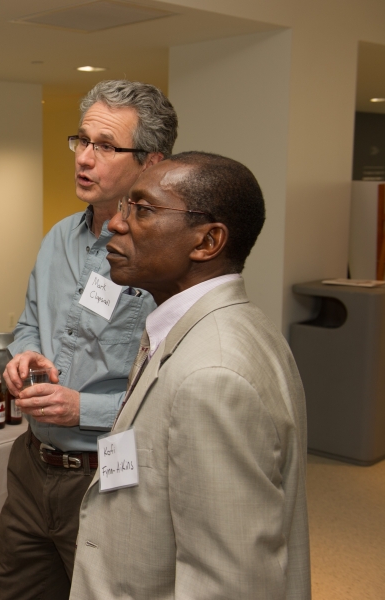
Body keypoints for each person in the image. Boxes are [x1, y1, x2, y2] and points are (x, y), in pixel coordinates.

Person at [70, 152, 310, 598]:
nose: (116, 225)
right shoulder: (206, 329)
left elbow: (231, 583)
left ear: (207, 242)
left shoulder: (215, 375)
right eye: (124, 207)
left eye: (142, 210)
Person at [0, 80, 177, 599]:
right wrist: (22, 355)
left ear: (151, 162)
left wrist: (81, 409)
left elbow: (171, 398)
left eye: (106, 146)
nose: (84, 158)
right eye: (82, 141)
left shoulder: (164, 264)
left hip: (110, 476)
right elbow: (28, 322)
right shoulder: (56, 240)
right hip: (32, 466)